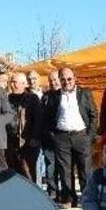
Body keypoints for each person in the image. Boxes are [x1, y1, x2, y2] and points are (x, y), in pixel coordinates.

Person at [46, 67, 97, 208]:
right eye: (63, 79)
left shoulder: (85, 93)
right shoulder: (53, 96)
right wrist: (53, 136)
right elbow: (48, 117)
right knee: (64, 170)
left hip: (81, 136)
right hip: (61, 137)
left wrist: (90, 136)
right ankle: (69, 198)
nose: (66, 82)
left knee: (85, 170)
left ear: (75, 78)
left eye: (69, 79)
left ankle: (88, 199)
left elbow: (94, 115)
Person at [6, 71, 43, 180]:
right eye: (11, 82)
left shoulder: (32, 98)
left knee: (28, 174)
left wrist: (35, 137)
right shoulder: (7, 98)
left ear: (23, 84)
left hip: (27, 141)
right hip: (11, 143)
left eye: (15, 82)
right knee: (13, 175)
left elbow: (38, 120)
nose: (12, 84)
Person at [41, 70, 63, 198]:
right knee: (50, 166)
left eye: (55, 80)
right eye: (50, 80)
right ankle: (53, 191)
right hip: (48, 137)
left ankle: (66, 192)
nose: (53, 82)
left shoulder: (66, 94)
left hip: (64, 137)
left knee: (64, 167)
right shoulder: (45, 96)